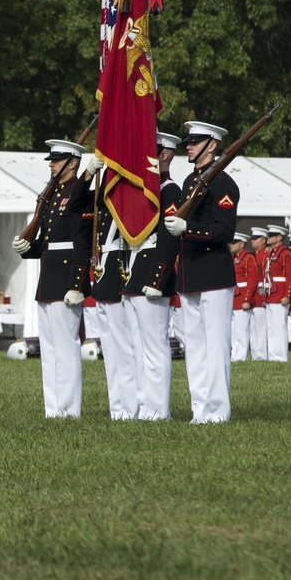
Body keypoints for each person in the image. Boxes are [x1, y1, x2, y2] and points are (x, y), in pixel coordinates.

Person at [12, 140, 92, 418]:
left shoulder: (79, 194)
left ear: (72, 162)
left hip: (66, 277)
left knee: (66, 347)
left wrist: (77, 283)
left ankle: (69, 410)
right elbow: (48, 241)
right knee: (49, 349)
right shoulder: (54, 194)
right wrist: (27, 250)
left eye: (56, 159)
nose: (51, 163)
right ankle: (53, 409)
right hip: (48, 277)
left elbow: (81, 244)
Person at [164, 121, 237, 424]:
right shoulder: (189, 182)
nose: (188, 147)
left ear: (212, 144)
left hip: (214, 274)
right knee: (194, 346)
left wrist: (188, 229)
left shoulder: (223, 184)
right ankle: (200, 409)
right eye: (188, 142)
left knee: (215, 345)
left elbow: (224, 231)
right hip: (191, 273)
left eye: (195, 142)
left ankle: (217, 411)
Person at [121, 131, 181, 420]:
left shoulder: (170, 190)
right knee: (138, 346)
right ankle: (145, 406)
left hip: (152, 272)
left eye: (152, 150)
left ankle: (158, 410)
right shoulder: (147, 188)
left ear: (165, 154)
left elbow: (170, 238)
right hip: (135, 271)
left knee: (154, 347)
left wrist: (157, 278)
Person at [86, 155, 137, 420]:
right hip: (103, 266)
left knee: (123, 344)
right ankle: (117, 407)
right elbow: (78, 203)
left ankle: (130, 405)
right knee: (110, 346)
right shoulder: (103, 202)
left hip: (119, 263)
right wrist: (87, 175)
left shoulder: (127, 198)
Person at [263, 224, 291, 361]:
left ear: (279, 237)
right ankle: (272, 355)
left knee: (279, 326)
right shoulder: (272, 253)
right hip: (271, 293)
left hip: (280, 293)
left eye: (272, 235)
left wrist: (287, 295)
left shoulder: (285, 253)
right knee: (271, 327)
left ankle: (280, 356)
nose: (269, 238)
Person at [230, 232, 259, 362]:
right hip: (234, 296)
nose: (231, 245)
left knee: (241, 329)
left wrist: (247, 299)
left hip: (242, 296)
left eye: (234, 242)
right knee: (233, 329)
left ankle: (241, 356)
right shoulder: (234, 257)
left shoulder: (247, 257)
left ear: (242, 244)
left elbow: (252, 280)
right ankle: (235, 354)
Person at [248, 227, 269, 360]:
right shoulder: (254, 255)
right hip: (253, 295)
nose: (253, 241)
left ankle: (261, 355)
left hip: (261, 293)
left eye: (256, 239)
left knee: (261, 328)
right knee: (253, 327)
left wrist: (264, 296)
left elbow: (266, 278)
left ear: (263, 240)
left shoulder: (266, 256)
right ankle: (256, 354)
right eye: (252, 239)